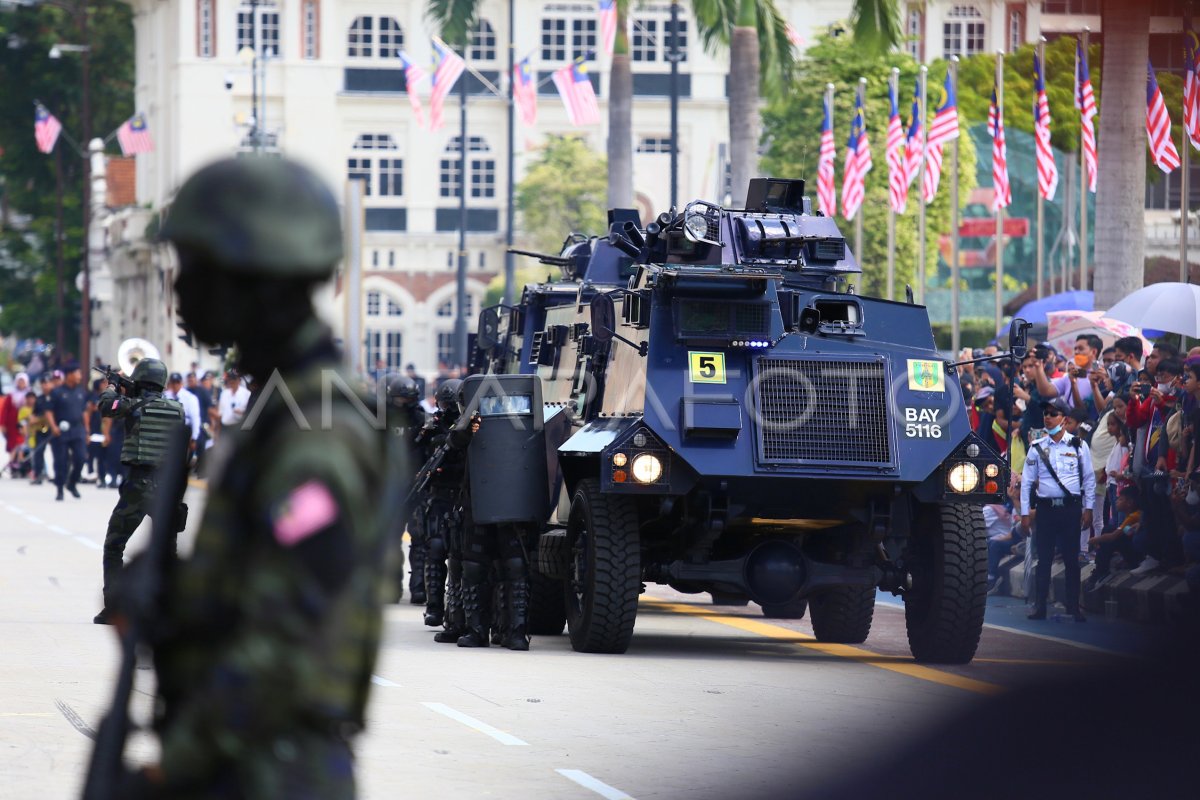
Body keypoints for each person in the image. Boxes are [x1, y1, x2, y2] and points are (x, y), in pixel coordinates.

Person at [112, 156, 392, 797]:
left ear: (251, 279)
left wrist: (172, 768)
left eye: (198, 270)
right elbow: (258, 586)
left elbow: (287, 633)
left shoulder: (317, 430)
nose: (180, 291)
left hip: (269, 768)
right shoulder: (283, 407)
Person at [93, 357, 187, 625]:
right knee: (167, 553)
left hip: (138, 485)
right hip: (167, 489)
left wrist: (113, 385)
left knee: (114, 545)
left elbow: (105, 406)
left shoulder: (133, 405)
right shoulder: (177, 409)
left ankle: (113, 608)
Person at [1020, 397, 1096, 622]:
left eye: (1053, 413)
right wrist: (1025, 514)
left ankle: (1074, 607)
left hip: (1071, 509)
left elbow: (1089, 479)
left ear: (1065, 419)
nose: (1048, 417)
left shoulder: (1079, 445)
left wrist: (1089, 508)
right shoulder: (1037, 448)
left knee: (1072, 560)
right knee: (1043, 560)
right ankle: (1040, 607)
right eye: (1046, 413)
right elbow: (1026, 483)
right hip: (1046, 511)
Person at [419, 379, 468, 641]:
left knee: (461, 557)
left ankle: (457, 615)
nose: (449, 408)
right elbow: (423, 449)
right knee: (436, 550)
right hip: (440, 496)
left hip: (461, 496)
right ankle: (435, 608)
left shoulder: (470, 424)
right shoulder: (435, 426)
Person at [385, 373, 427, 604]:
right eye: (401, 399)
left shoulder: (422, 420)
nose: (405, 403)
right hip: (392, 489)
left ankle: (419, 587)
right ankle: (392, 587)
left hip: (418, 487)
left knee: (420, 540)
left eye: (408, 399)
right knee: (391, 542)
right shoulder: (381, 420)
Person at [45, 363, 89, 501]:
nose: (80, 376)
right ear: (69, 375)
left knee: (81, 457)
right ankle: (59, 489)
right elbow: (49, 411)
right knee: (61, 461)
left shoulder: (81, 392)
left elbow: (85, 411)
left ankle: (72, 483)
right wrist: (53, 426)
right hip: (61, 431)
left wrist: (87, 429)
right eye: (77, 373)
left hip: (77, 429)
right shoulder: (57, 392)